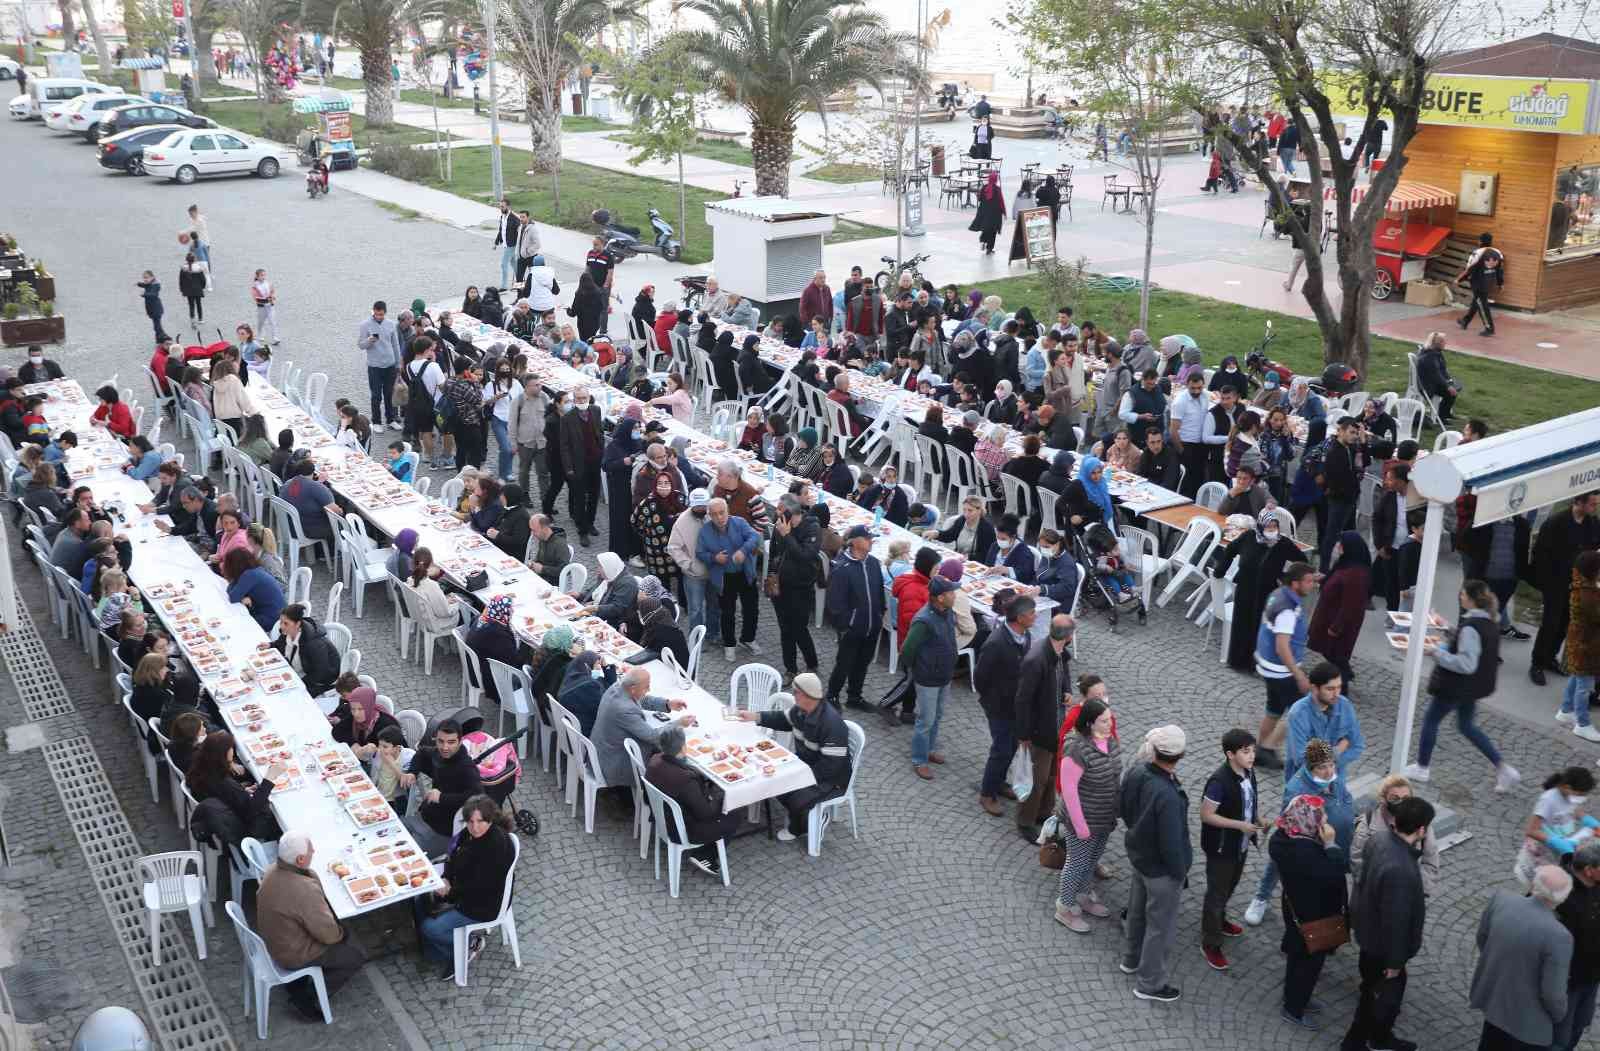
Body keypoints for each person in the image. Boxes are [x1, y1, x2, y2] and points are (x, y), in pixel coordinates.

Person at [1405, 579, 1521, 793]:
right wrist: (1446, 627)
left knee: (1431, 720)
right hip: (1472, 688)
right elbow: (1470, 642)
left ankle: (1422, 767)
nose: (1460, 597)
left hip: (1455, 686)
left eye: (1463, 595)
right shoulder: (1488, 621)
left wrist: (1436, 653)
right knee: (1466, 726)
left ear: (1471, 599)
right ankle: (1504, 769)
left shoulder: (1470, 628)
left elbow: (1466, 663)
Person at [1343, 793, 1433, 1049]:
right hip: (1383, 948)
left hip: (1369, 933)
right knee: (1375, 998)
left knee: (1372, 991)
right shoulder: (1401, 870)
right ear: (1422, 829)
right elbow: (1396, 921)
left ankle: (1379, 1037)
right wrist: (1394, 963)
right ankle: (1359, 1042)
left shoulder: (1379, 840)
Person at [255, 831, 368, 1019]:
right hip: (292, 953)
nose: (314, 851)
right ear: (300, 860)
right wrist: (342, 932)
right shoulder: (303, 889)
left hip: (277, 939)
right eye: (310, 850)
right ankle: (308, 999)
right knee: (355, 955)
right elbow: (329, 935)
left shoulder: (272, 869)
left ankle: (305, 982)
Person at [1119, 724, 1191, 1003]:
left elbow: (1123, 808)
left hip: (1140, 856)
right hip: (1161, 870)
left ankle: (1131, 959)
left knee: (1137, 911)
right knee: (1160, 927)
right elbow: (1172, 843)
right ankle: (1150, 983)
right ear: (1180, 755)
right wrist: (1179, 871)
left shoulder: (1137, 771)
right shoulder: (1168, 795)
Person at [731, 674, 850, 842]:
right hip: (806, 764)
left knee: (795, 796)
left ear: (806, 695)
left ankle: (802, 827)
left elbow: (832, 766)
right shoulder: (801, 710)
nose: (793, 695)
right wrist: (755, 717)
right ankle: (803, 815)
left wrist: (801, 777)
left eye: (795, 692)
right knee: (775, 782)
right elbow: (783, 719)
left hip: (832, 779)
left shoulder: (832, 724)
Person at [412, 794, 517, 978]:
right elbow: (452, 855)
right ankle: (437, 951)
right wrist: (445, 878)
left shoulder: (496, 846)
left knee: (429, 928)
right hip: (462, 891)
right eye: (470, 822)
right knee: (418, 899)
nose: (474, 827)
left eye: (480, 822)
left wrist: (450, 891)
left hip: (481, 905)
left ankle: (466, 947)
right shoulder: (469, 833)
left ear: (490, 819)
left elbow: (480, 886)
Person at [1469, 868, 1574, 1050]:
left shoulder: (1501, 899)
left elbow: (1482, 939)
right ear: (1562, 898)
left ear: (1535, 885)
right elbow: (1552, 994)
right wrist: (1560, 1016)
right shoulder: (1559, 936)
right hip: (1527, 1023)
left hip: (1494, 1003)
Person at [1270, 793, 1349, 1029]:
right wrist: (1331, 845)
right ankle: (1294, 1007)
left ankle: (1293, 996)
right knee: (1309, 963)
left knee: (1297, 956)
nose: (1325, 824)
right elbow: (1335, 874)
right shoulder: (1306, 852)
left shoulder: (1282, 838)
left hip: (1295, 908)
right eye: (1321, 820)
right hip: (1314, 915)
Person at [1055, 693, 1121, 932]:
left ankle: (1082, 894)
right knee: (1077, 862)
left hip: (1104, 817)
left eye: (1110, 719)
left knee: (1092, 860)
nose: (1110, 724)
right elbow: (1070, 791)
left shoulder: (1109, 740)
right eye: (1104, 720)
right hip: (1082, 819)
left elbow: (1115, 776)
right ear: (1090, 722)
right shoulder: (1076, 748)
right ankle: (1065, 906)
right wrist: (1081, 826)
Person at [1199, 729, 1264, 971]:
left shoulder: (1249, 772)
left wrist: (1259, 818)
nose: (1252, 756)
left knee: (1230, 885)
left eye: (1253, 750)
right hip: (1222, 847)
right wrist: (1241, 826)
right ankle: (1210, 942)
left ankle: (1220, 921)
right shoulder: (1219, 782)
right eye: (1246, 752)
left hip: (1240, 844)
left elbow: (1248, 802)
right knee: (1216, 894)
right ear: (1230, 754)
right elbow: (1206, 815)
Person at [1014, 614, 1074, 838]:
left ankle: (1043, 812)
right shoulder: (1036, 659)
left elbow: (1064, 672)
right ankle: (1025, 820)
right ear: (1068, 637)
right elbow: (1023, 700)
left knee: (1050, 775)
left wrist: (1066, 690)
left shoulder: (1058, 653)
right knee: (1037, 779)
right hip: (1040, 730)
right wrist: (1024, 734)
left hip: (1055, 725)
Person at [1531, 492, 1600, 685]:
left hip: (1577, 583)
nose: (1595, 507)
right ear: (1579, 501)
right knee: (1550, 623)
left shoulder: (1593, 524)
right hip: (1555, 582)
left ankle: (1550, 657)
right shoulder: (1556, 523)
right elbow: (1541, 555)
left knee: (1565, 623)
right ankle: (1537, 663)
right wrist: (1547, 583)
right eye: (1592, 504)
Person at [1253, 562, 1316, 769]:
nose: (1312, 585)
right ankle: (1268, 748)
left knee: (1274, 709)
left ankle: (1259, 749)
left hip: (1268, 665)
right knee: (1304, 710)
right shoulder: (1287, 611)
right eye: (1308, 581)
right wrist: (1299, 675)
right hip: (1281, 670)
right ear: (1295, 583)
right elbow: (1282, 646)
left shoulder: (1278, 593)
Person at [974, 595, 1033, 816]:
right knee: (1001, 749)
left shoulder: (1024, 636)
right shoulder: (996, 643)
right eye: (1031, 613)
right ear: (1019, 618)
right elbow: (980, 677)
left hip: (1016, 705)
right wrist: (992, 700)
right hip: (999, 706)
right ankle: (987, 793)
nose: (1035, 616)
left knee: (1011, 747)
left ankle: (999, 782)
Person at [1215, 512, 1296, 672]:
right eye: (1268, 526)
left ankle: (1253, 663)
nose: (1271, 530)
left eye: (1274, 527)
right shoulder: (1250, 536)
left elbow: (1301, 561)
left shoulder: (1283, 543)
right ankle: (1237, 661)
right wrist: (1220, 571)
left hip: (1267, 592)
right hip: (1245, 588)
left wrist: (1284, 579)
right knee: (1241, 624)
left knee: (1258, 626)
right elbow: (1230, 549)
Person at [591, 666, 691, 791]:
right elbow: (653, 737)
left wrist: (667, 704)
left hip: (603, 750)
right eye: (646, 687)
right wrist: (679, 723)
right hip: (614, 763)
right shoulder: (624, 709)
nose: (649, 689)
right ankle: (674, 791)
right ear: (633, 688)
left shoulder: (618, 687)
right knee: (672, 752)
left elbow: (640, 699)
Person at [899, 574, 959, 780]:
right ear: (940, 598)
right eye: (951, 592)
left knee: (938, 715)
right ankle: (919, 759)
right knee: (925, 720)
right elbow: (907, 650)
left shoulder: (948, 612)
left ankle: (930, 749)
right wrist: (920, 669)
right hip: (928, 679)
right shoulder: (924, 620)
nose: (955, 595)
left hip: (944, 675)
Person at [823, 525, 886, 712]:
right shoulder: (842, 567)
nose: (871, 541)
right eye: (868, 538)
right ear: (856, 542)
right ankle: (832, 695)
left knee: (862, 663)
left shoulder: (873, 562)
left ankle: (854, 696)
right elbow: (835, 603)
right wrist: (845, 625)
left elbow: (879, 591)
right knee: (844, 664)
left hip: (872, 625)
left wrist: (879, 614)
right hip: (852, 629)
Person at [403, 718, 484, 857]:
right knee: (387, 832)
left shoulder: (466, 767)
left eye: (451, 742)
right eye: (440, 741)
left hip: (443, 832)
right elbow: (422, 753)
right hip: (422, 817)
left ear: (459, 741)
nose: (445, 747)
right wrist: (412, 772)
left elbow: (478, 796)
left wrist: (442, 797)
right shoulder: (438, 753)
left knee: (404, 855)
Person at [1351, 774, 1441, 895]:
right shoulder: (1367, 824)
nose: (1401, 803)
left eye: (1405, 798)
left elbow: (1431, 860)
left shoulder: (1421, 822)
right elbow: (1358, 863)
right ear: (1383, 798)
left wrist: (1414, 889)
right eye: (1395, 798)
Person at [696, 496, 762, 662]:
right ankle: (729, 644)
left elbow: (754, 537)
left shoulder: (739, 522)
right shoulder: (705, 531)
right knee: (727, 612)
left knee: (751, 608)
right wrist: (713, 558)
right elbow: (700, 553)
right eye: (715, 514)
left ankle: (748, 638)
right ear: (709, 515)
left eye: (722, 512)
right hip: (724, 577)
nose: (719, 517)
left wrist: (743, 550)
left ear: (728, 511)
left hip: (745, 573)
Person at [186, 731, 283, 842]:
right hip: (248, 827)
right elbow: (251, 809)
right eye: (231, 748)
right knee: (278, 814)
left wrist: (242, 791)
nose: (233, 751)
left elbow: (229, 795)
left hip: (226, 811)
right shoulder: (223, 781)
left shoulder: (203, 767)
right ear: (224, 753)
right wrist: (269, 779)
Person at [1514, 766, 1596, 889]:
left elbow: (1574, 809)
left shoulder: (1569, 796)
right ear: (1568, 787)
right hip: (1540, 852)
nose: (1581, 798)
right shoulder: (1548, 800)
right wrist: (1554, 841)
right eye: (1580, 794)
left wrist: (1587, 819)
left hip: (1557, 849)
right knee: (1535, 885)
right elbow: (1531, 830)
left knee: (1547, 884)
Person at [1307, 532, 1372, 684]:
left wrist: (1336, 627)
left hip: (1337, 622)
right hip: (1329, 617)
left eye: (1340, 544)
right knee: (1332, 653)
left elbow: (1351, 605)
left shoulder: (1356, 574)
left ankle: (1342, 682)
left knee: (1336, 655)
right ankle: (1344, 674)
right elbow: (1336, 578)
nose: (1337, 547)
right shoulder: (1347, 564)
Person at [767, 494, 821, 678]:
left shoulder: (812, 528)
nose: (776, 512)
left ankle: (811, 662)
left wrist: (788, 536)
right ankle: (790, 668)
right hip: (781, 587)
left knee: (799, 628)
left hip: (801, 588)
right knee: (785, 629)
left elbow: (805, 556)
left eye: (780, 510)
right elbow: (774, 554)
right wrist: (770, 579)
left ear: (791, 512)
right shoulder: (779, 527)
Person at [1554, 841, 1600, 1051]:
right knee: (1559, 1036)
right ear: (1589, 870)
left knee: (1579, 1024)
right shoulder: (1559, 892)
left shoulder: (1595, 884)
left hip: (1591, 976)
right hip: (1567, 979)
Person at [1559, 550, 1600, 737]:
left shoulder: (1585, 587)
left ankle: (1566, 710)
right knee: (1585, 685)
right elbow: (1596, 616)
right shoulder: (1588, 593)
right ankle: (1582, 723)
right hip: (1587, 644)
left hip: (1581, 641)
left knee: (1577, 676)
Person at [357, 300, 402, 431]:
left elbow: (396, 345)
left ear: (385, 313)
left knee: (389, 393)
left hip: (390, 364)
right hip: (374, 366)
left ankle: (391, 419)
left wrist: (398, 362)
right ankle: (376, 421)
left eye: (381, 314)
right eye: (376, 314)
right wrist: (369, 340)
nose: (379, 317)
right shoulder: (365, 325)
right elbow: (360, 345)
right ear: (373, 312)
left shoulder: (391, 324)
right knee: (376, 394)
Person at [328, 674, 399, 756]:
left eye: (360, 709)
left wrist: (375, 751)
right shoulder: (355, 716)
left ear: (368, 706)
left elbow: (397, 753)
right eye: (353, 709)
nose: (356, 713)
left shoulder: (386, 725)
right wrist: (355, 746)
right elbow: (337, 731)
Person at [222, 547, 284, 631]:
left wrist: (240, 597)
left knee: (235, 622)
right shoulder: (256, 570)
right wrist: (242, 597)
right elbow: (230, 589)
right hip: (277, 615)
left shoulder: (249, 575)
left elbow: (232, 597)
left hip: (270, 619)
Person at [1456, 231, 1505, 336]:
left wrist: (1459, 280)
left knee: (1482, 305)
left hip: (1478, 284)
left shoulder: (1477, 253)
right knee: (1477, 301)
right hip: (1489, 282)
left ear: (1480, 241)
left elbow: (1469, 269)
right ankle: (1465, 321)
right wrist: (1500, 283)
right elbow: (1500, 270)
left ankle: (1489, 328)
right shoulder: (1498, 253)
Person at [407, 548, 464, 636]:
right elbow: (445, 613)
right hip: (436, 624)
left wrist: (445, 600)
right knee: (466, 605)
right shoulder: (431, 585)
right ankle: (458, 643)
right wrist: (457, 602)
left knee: (450, 597)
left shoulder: (410, 580)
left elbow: (430, 601)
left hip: (422, 618)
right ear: (431, 563)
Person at [1414, 331, 1462, 421]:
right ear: (1437, 343)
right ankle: (1442, 416)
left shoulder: (1435, 353)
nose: (1445, 343)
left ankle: (1445, 413)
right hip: (1428, 386)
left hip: (1432, 382)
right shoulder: (1430, 357)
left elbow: (1442, 370)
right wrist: (1448, 387)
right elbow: (1436, 375)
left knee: (1457, 385)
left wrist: (1450, 381)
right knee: (1451, 393)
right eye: (1443, 341)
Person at [969, 171, 1006, 254]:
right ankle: (989, 248)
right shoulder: (997, 189)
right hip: (995, 214)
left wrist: (978, 195)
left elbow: (980, 199)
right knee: (993, 231)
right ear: (995, 179)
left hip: (984, 212)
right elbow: (1001, 201)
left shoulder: (984, 187)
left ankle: (983, 240)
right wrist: (1004, 212)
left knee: (986, 228)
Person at [137, 270, 170, 344]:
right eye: (144, 278)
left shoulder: (155, 285)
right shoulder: (150, 283)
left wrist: (144, 294)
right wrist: (139, 284)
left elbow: (154, 295)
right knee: (156, 325)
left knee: (157, 326)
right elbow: (145, 285)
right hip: (151, 309)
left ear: (152, 277)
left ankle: (164, 338)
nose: (145, 279)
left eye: (146, 278)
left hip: (156, 309)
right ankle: (159, 339)